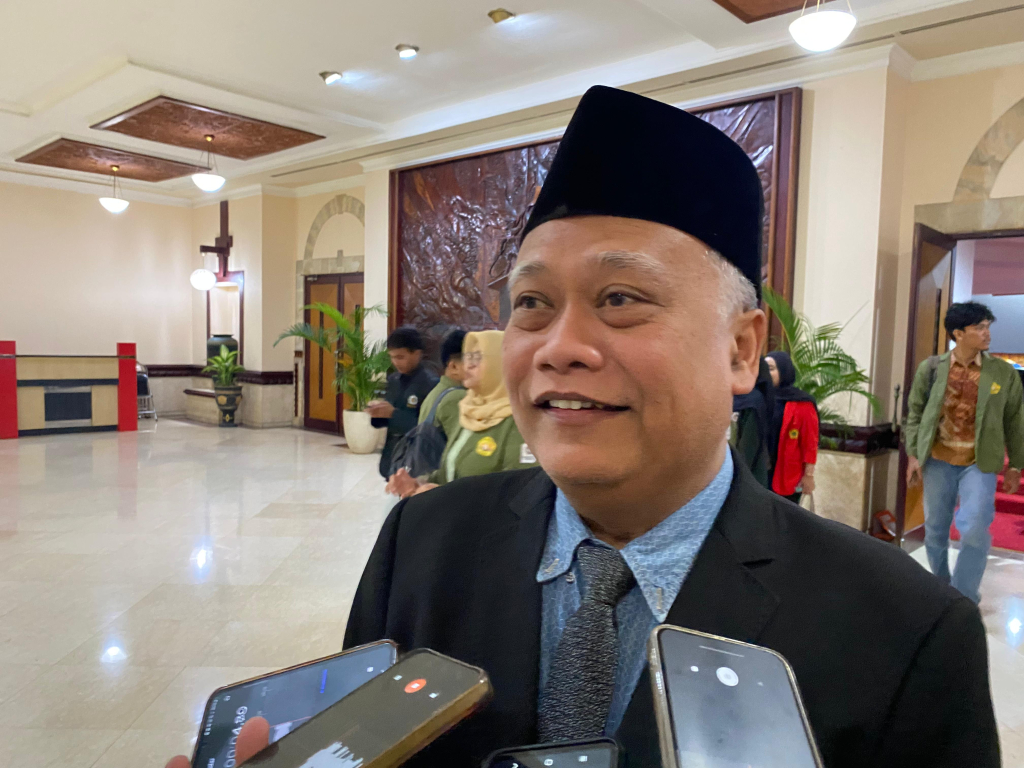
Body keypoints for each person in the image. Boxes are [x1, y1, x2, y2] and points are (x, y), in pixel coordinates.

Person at [166, 86, 997, 768]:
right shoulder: (422, 542)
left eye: (620, 299)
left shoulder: (905, 630)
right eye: (532, 303)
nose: (559, 347)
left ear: (742, 350)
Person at [905, 301, 1024, 604]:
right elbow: (915, 413)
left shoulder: (1002, 373)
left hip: (979, 462)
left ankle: (963, 597)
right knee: (935, 530)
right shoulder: (931, 369)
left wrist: (1015, 465)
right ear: (958, 333)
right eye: (979, 328)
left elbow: (1015, 420)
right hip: (937, 459)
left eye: (988, 327)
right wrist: (914, 455)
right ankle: (941, 586)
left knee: (973, 528)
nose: (987, 334)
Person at [387, 329, 537, 498]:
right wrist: (418, 483)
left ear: (500, 363)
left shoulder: (519, 423)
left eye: (478, 358)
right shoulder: (469, 411)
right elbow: (449, 471)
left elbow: (521, 494)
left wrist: (445, 496)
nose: (469, 365)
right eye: (468, 357)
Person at [367, 326, 438, 478]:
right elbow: (387, 419)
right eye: (392, 357)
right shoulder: (394, 380)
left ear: (417, 354)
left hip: (416, 458)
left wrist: (393, 414)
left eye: (400, 357)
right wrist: (377, 413)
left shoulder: (430, 384)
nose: (395, 362)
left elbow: (427, 428)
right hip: (392, 455)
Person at [765, 351, 818, 503]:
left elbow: (810, 442)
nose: (766, 373)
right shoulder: (758, 398)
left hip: (788, 474)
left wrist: (808, 475)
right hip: (760, 472)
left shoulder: (802, 403)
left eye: (771, 368)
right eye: (764, 368)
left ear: (784, 371)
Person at [730, 357, 774, 488]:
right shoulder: (734, 397)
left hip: (745, 476)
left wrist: (734, 478)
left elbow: (748, 447)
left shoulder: (753, 402)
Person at [417, 327, 468, 439]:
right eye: (471, 361)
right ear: (453, 366)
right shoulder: (456, 397)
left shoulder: (437, 392)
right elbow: (464, 445)